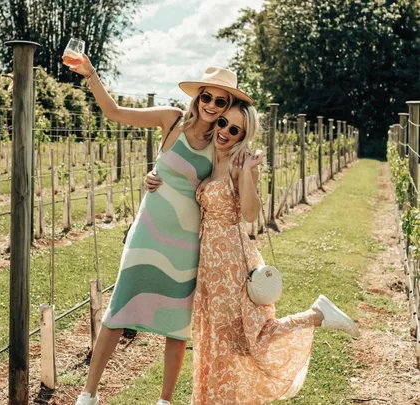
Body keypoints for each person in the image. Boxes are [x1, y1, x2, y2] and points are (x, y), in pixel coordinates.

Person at [66, 54, 253, 405]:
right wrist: (91, 74)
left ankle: (165, 401)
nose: (212, 106)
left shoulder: (221, 145)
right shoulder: (172, 121)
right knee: (118, 311)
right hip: (147, 233)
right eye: (207, 97)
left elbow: (224, 192)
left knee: (176, 326)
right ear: (197, 97)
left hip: (186, 244)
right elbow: (116, 113)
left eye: (220, 101)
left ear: (228, 106)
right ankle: (88, 394)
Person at [148, 100, 360, 404]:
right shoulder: (211, 157)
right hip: (209, 264)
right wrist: (153, 177)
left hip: (231, 262)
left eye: (235, 130)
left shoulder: (239, 163)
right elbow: (178, 172)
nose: (225, 132)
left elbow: (249, 214)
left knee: (246, 339)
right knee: (215, 339)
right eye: (223, 123)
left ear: (242, 136)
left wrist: (247, 172)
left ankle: (315, 315)